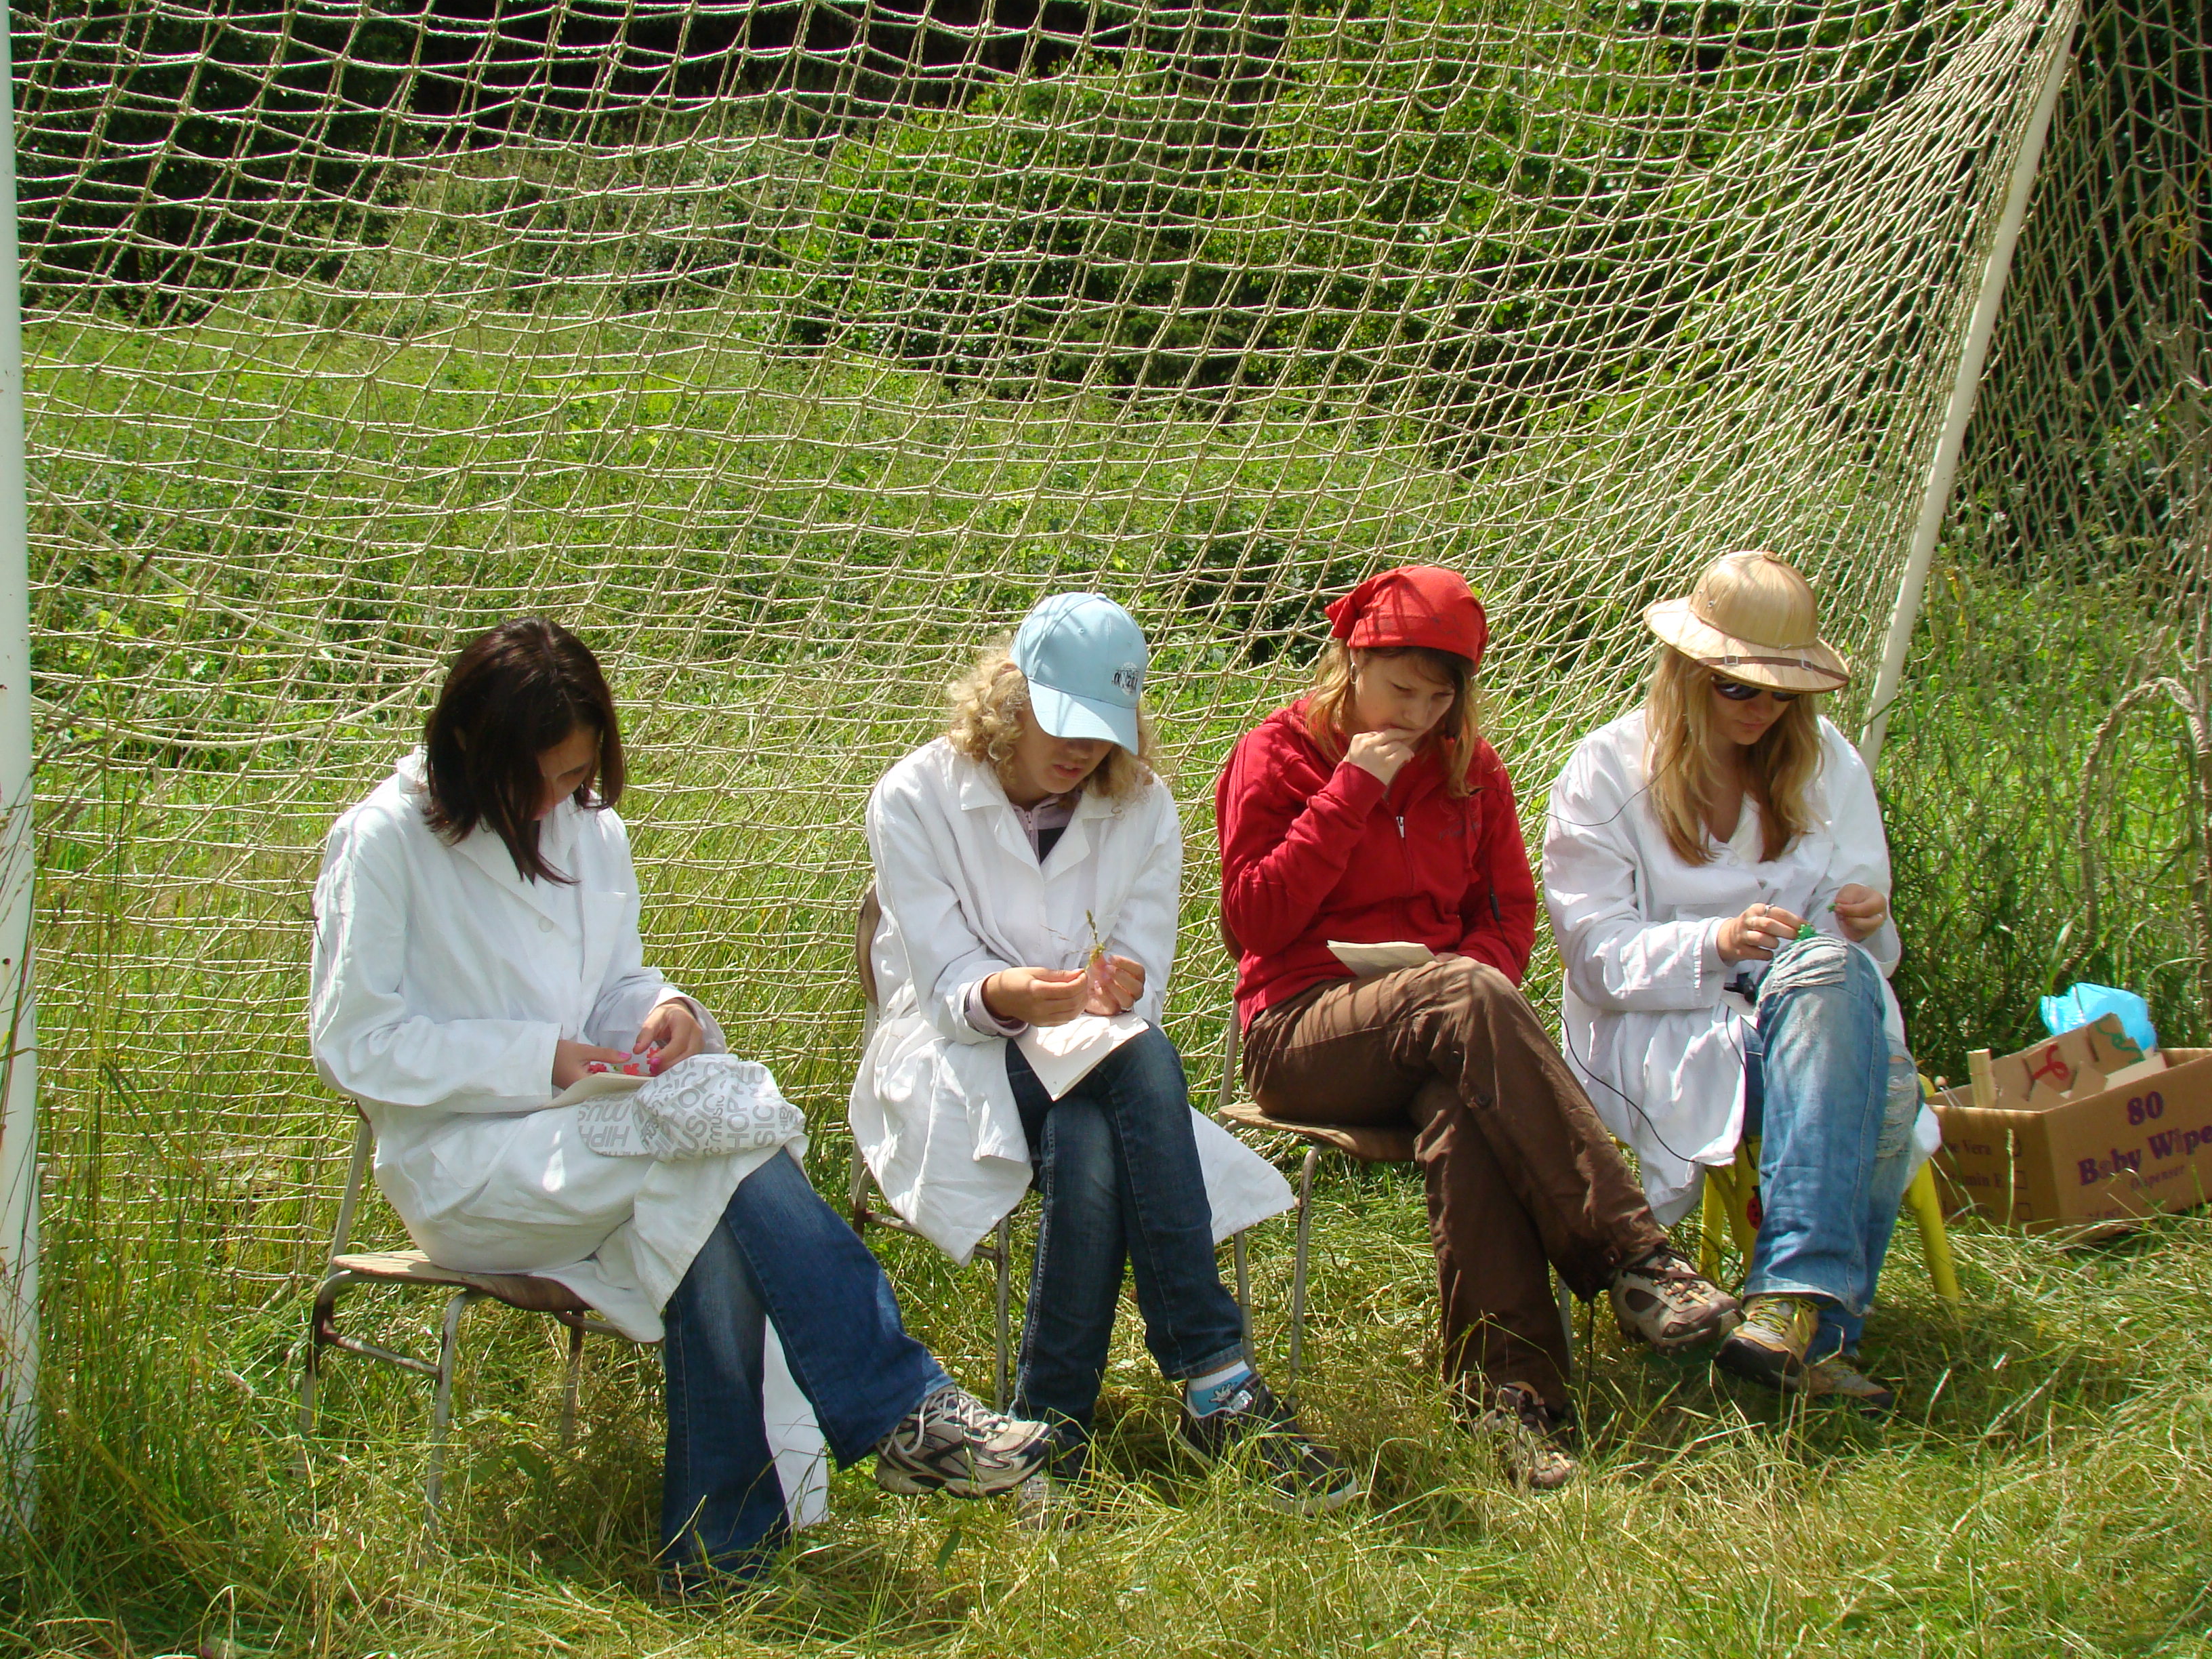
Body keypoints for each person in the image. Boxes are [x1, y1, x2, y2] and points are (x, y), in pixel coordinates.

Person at [309, 617, 1052, 1589]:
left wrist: (665, 1013)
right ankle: (900, 1409)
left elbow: (613, 980)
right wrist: (540, 1060)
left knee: (711, 1170)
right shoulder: (384, 841)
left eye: (579, 776)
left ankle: (720, 1557)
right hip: (466, 1167)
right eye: (540, 780)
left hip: (589, 1139)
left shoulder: (588, 828)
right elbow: (355, 1043)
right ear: (468, 748)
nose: (560, 802)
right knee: (716, 1147)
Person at [1214, 565, 1740, 1490]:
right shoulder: (1278, 753)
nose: (1418, 716)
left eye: (1439, 697)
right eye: (1399, 690)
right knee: (1462, 996)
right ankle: (1635, 1257)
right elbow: (1251, 922)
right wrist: (1351, 791)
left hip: (1442, 1030)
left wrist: (1462, 979)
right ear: (1350, 663)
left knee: (1466, 1104)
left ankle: (1510, 1403)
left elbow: (1508, 921)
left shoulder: (1472, 768)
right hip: (1300, 1032)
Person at [850, 592, 1356, 1520]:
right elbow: (941, 983)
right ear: (1011, 696)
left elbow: (1141, 969)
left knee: (1091, 1132)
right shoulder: (915, 796)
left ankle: (1048, 1438)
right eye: (1065, 721)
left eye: (1104, 728)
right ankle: (1216, 1379)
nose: (1085, 750)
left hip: (1093, 1054)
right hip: (951, 1051)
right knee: (1133, 1067)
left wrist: (1118, 988)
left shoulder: (1144, 804)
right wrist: (1011, 994)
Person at [1542, 552, 1936, 1411]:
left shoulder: (1827, 764)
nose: (1762, 710)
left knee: (1831, 973)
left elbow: (1858, 942)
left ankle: (1787, 1309)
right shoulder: (1607, 769)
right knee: (1887, 1089)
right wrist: (1717, 942)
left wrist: (1864, 919)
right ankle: (1814, 1328)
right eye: (1738, 688)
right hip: (1658, 1022)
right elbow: (1596, 956)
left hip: (1810, 1010)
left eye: (1784, 694)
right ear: (1685, 673)